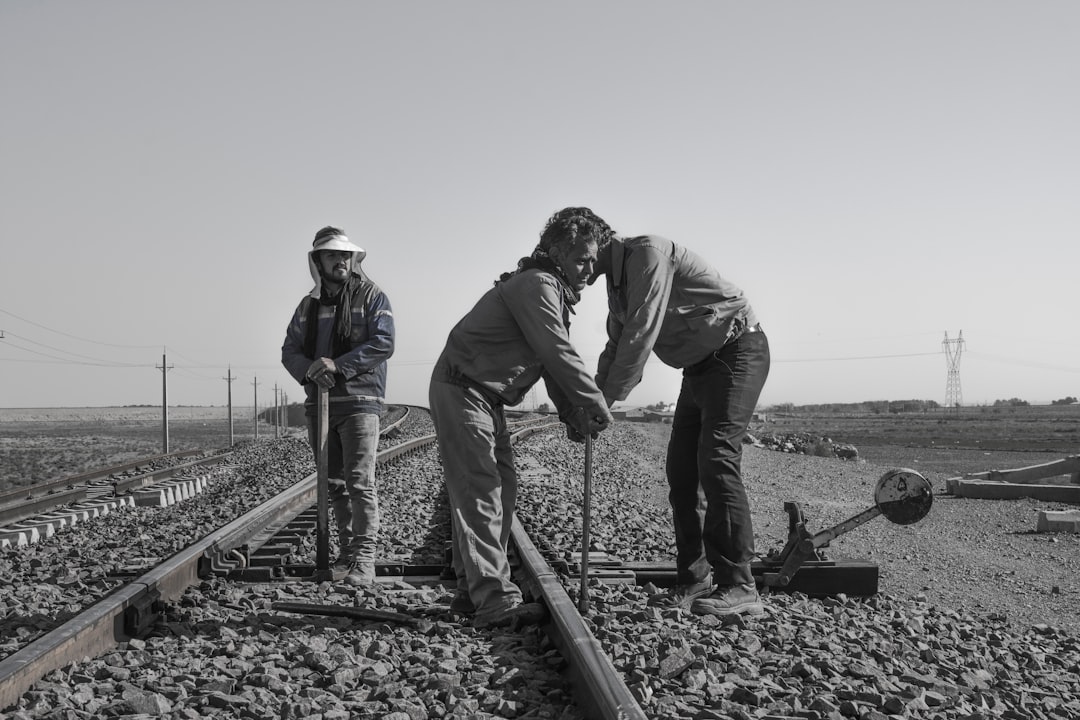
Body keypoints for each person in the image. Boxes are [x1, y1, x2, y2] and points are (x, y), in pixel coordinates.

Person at [429, 207, 614, 629]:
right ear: (556, 252)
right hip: (463, 389)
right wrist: (596, 403)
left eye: (593, 260)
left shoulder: (551, 291)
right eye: (583, 259)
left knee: (502, 488)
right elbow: (557, 352)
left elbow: (548, 366)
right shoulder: (537, 285)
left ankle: (468, 591)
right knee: (481, 493)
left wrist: (572, 414)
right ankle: (494, 600)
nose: (590, 269)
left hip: (484, 397)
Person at [590, 231, 770, 616]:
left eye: (574, 254)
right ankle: (695, 579)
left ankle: (740, 585)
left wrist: (603, 403)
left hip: (736, 349)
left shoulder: (647, 257)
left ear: (596, 241)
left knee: (717, 458)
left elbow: (640, 335)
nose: (576, 269)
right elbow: (617, 344)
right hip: (699, 367)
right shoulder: (617, 284)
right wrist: (589, 401)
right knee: (683, 472)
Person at [282, 225, 395, 587]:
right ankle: (345, 555)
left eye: (345, 255)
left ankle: (364, 560)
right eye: (332, 255)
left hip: (361, 402)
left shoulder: (372, 297)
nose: (341, 261)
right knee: (333, 484)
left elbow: (383, 342)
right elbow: (290, 351)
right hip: (321, 404)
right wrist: (312, 371)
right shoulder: (308, 306)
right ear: (318, 261)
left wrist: (338, 365)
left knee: (360, 482)